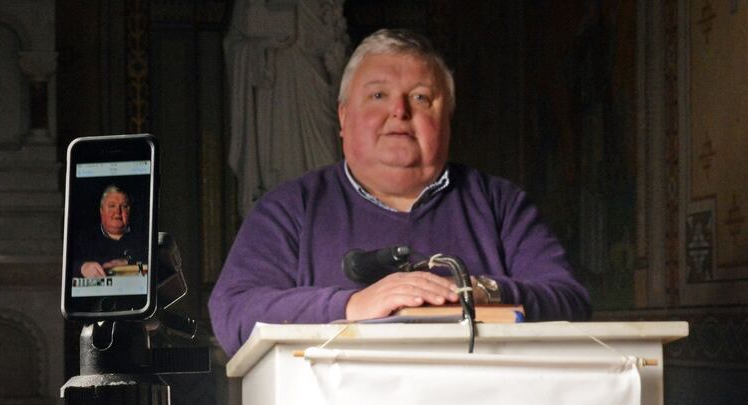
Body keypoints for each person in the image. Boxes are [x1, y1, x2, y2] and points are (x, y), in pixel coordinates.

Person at [209, 28, 591, 356]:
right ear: (343, 118)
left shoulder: (500, 205)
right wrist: (354, 305)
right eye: (378, 96)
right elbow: (232, 312)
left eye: (421, 97)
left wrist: (479, 291)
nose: (399, 112)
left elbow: (571, 302)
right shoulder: (291, 207)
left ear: (447, 120)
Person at [74, 185, 141, 278]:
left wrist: (129, 262)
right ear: (101, 211)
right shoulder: (85, 238)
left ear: (129, 210)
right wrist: (82, 268)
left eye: (124, 206)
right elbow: (68, 265)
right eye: (112, 206)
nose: (118, 211)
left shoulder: (143, 237)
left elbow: (160, 264)